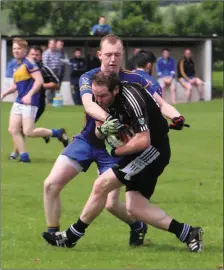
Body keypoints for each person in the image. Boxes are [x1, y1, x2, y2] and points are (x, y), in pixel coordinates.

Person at [41, 34, 187, 246]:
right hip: (88, 139)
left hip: (118, 145)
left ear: (122, 56)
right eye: (108, 54)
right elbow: (89, 105)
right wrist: (110, 120)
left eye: (117, 55)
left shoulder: (135, 79)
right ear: (100, 55)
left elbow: (160, 104)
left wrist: (176, 115)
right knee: (51, 184)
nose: (112, 59)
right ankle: (53, 235)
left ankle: (137, 225)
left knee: (111, 203)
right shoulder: (88, 77)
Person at [1, 38, 68, 162]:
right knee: (13, 129)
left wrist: (29, 94)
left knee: (28, 131)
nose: (16, 51)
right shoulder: (16, 64)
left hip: (30, 101)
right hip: (19, 101)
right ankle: (24, 157)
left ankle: (57, 133)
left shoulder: (29, 62)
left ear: (24, 50)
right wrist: (5, 92)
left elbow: (39, 81)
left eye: (19, 48)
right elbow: (16, 85)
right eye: (14, 48)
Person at [42, 39, 63, 104]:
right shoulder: (46, 53)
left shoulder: (57, 53)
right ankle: (49, 101)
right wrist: (49, 73)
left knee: (55, 87)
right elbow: (45, 64)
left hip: (57, 72)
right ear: (49, 45)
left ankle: (54, 101)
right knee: (49, 87)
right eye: (51, 44)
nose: (53, 45)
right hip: (50, 72)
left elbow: (59, 63)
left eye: (54, 44)